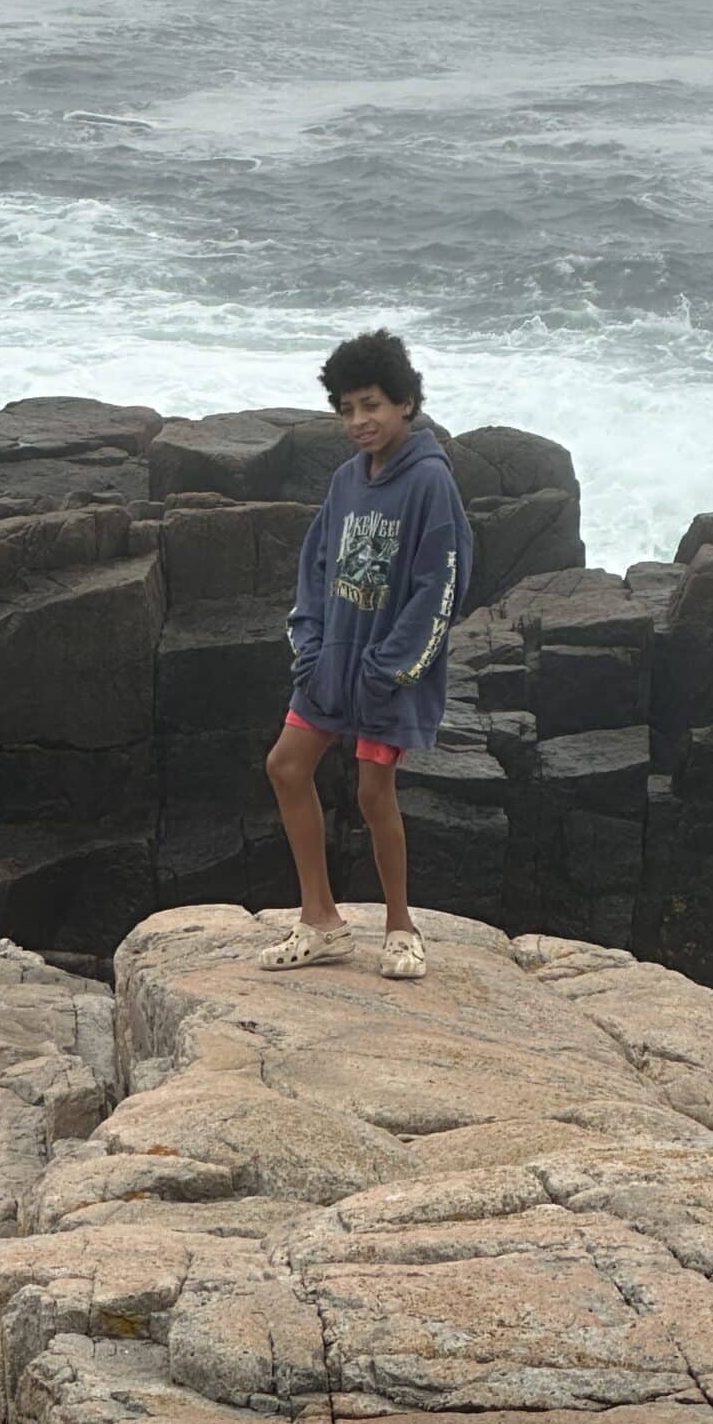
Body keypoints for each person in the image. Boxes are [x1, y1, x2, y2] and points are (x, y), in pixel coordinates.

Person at [260, 328, 474, 981]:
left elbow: (440, 587)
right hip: (330, 666)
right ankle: (321, 921)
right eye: (348, 408)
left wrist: (390, 670)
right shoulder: (346, 482)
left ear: (406, 402)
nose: (360, 421)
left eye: (373, 404)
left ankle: (401, 927)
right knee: (287, 767)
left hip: (389, 674)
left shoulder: (430, 483)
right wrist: (309, 645)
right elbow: (316, 567)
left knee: (374, 793)